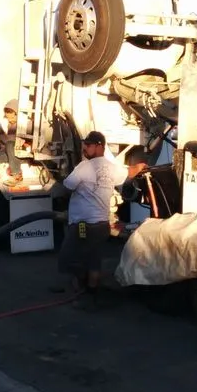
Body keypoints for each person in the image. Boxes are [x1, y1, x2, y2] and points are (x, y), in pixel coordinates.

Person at [56, 130, 147, 308]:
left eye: (88, 145)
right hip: (101, 226)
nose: (84, 148)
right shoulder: (112, 167)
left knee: (70, 258)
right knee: (94, 258)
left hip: (83, 226)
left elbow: (67, 186)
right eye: (85, 144)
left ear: (100, 146)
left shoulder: (84, 167)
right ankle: (92, 294)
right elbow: (129, 172)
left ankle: (82, 292)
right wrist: (142, 166)